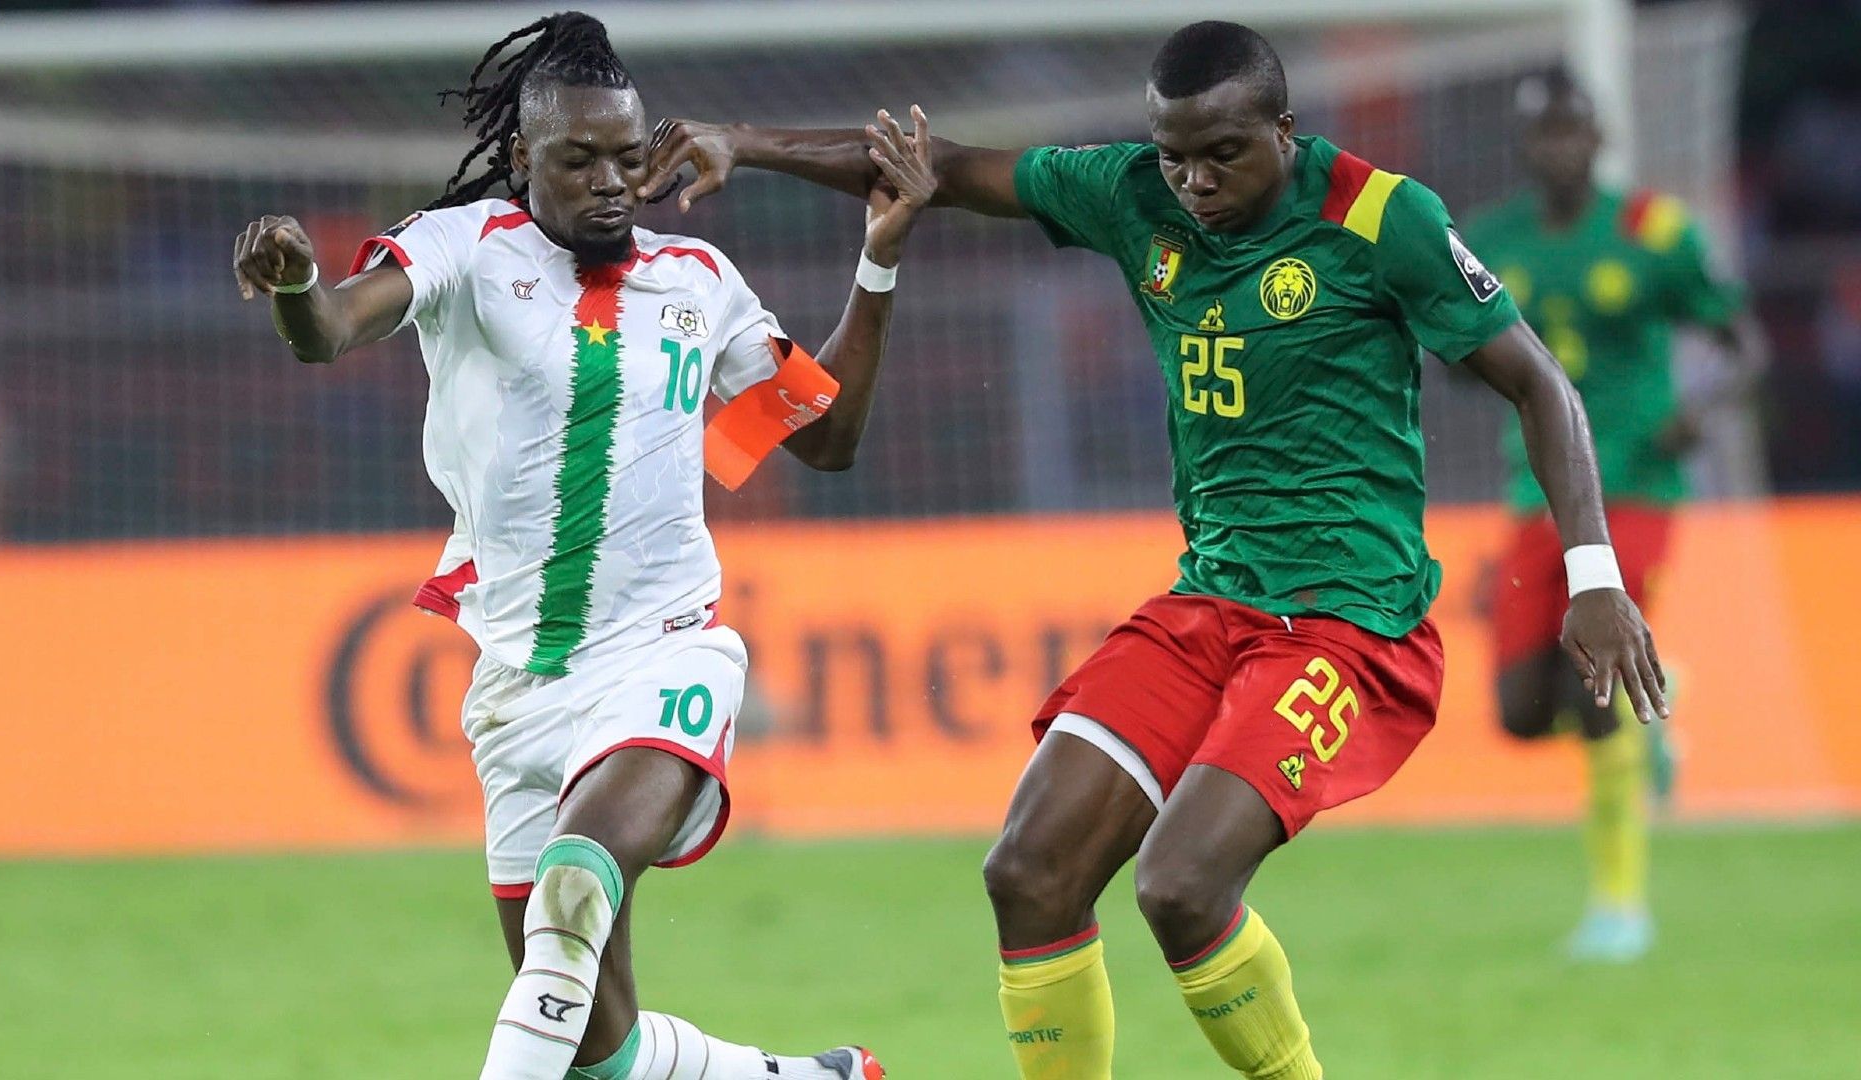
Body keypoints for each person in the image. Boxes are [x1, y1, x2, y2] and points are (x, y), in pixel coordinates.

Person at [642, 20, 1667, 1079]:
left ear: (1285, 127)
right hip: (1210, 606)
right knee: (1029, 869)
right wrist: (739, 139)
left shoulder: (1379, 213)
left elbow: (1541, 383)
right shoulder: (1132, 191)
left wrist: (1593, 579)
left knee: (1180, 885)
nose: (1193, 180)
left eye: (1223, 153)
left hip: (1349, 626)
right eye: (1175, 153)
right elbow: (928, 170)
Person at [229, 13, 921, 1080]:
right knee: (602, 1049)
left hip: (663, 655)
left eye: (626, 156)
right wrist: (290, 288)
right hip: (516, 689)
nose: (611, 181)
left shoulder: (696, 278)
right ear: (521, 160)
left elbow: (823, 440)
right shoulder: (464, 248)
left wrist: (874, 265)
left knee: (574, 887)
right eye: (579, 159)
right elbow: (330, 330)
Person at [1466, 72, 1765, 963]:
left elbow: (1740, 341)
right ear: (1527, 145)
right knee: (1521, 713)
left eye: (1574, 132)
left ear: (1599, 140)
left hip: (1633, 482)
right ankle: (1653, 716)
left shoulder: (1651, 232)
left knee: (1594, 686)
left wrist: (1699, 413)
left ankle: (1620, 908)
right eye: (1545, 133)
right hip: (1535, 494)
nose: (1561, 147)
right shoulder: (1490, 241)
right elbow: (1450, 345)